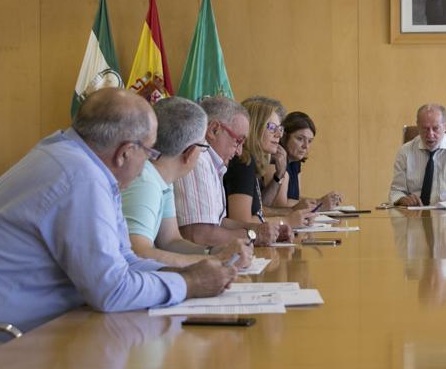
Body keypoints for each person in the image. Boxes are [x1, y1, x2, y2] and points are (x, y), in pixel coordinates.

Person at [0, 89, 236, 369]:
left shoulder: (81, 164)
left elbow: (126, 262)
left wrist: (190, 275)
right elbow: (112, 290)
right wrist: (190, 284)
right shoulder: (78, 176)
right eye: (149, 153)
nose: (149, 162)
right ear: (125, 152)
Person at [120, 96, 252, 269]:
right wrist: (216, 260)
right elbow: (138, 255)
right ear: (190, 153)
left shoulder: (163, 182)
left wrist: (210, 252)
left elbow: (171, 240)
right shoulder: (145, 182)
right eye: (202, 147)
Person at [175, 95, 284, 247]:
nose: (239, 151)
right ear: (214, 130)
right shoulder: (198, 160)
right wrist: (253, 235)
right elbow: (199, 235)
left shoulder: (214, 163)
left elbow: (218, 222)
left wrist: (259, 229)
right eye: (238, 141)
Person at [224, 96, 311, 227]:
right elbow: (241, 222)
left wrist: (278, 176)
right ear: (254, 126)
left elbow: (258, 211)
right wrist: (285, 222)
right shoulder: (243, 161)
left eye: (279, 129)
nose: (279, 135)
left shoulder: (252, 161)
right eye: (271, 127)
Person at [280, 111, 343, 211]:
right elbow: (281, 205)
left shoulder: (295, 162)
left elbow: (295, 199)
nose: (305, 146)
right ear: (284, 136)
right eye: (300, 139)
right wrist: (319, 204)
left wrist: (323, 201)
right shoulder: (275, 161)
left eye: (309, 141)